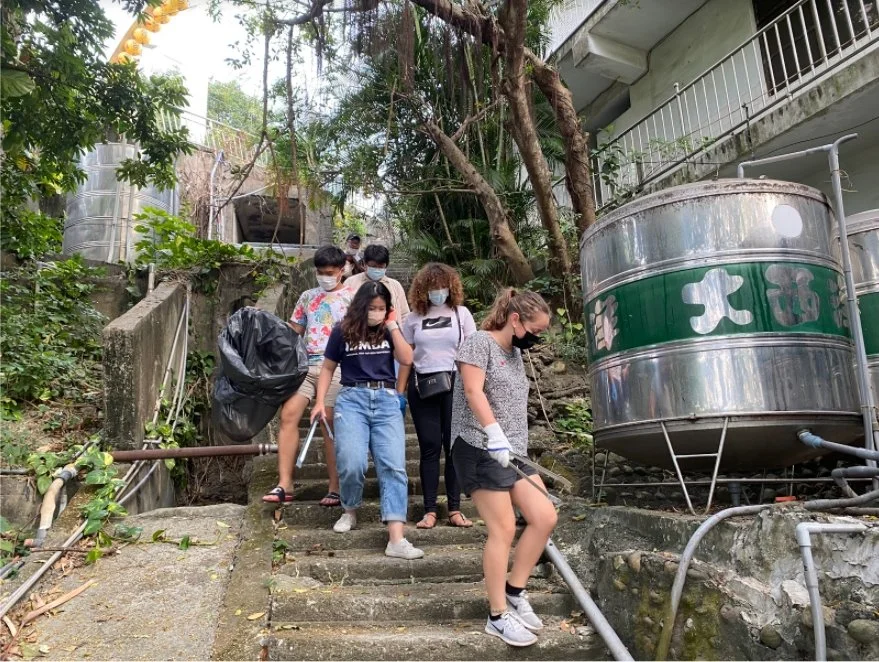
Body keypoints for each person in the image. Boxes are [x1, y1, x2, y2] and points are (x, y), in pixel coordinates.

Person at [450, 288, 555, 647]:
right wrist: (493, 433)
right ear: (514, 319)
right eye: (534, 330)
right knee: (504, 527)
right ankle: (496, 616)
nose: (536, 338)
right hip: (479, 445)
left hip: (514, 451)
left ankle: (514, 591)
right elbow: (472, 391)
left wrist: (508, 442)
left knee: (544, 516)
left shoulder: (515, 353)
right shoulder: (480, 342)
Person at [311, 281, 423, 560]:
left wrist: (393, 324)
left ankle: (396, 538)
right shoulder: (343, 330)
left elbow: (407, 358)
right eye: (372, 307)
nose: (376, 312)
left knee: (394, 466)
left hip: (385, 399)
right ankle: (349, 510)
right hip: (352, 399)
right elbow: (327, 368)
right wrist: (320, 402)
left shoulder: (389, 330)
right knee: (351, 462)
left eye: (382, 308)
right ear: (361, 306)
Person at [262, 245, 351, 507]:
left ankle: (335, 487)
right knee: (288, 415)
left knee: (328, 422)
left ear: (342, 270)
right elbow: (293, 332)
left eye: (330, 272)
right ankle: (285, 483)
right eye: (320, 272)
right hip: (305, 367)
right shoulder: (307, 297)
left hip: (337, 368)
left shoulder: (353, 298)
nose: (325, 277)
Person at [398, 263, 476, 529]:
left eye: (443, 287)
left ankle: (455, 509)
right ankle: (429, 510)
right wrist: (399, 392)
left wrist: (475, 388)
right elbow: (406, 358)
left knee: (453, 447)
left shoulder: (461, 314)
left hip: (455, 384)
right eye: (433, 288)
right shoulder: (412, 319)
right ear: (423, 289)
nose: (438, 292)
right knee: (429, 447)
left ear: (451, 287)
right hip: (423, 386)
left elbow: (472, 352)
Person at [344, 244, 410, 321]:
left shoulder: (395, 286)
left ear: (386, 266)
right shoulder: (351, 282)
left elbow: (405, 314)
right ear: (364, 264)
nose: (377, 269)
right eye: (373, 266)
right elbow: (343, 312)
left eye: (381, 266)